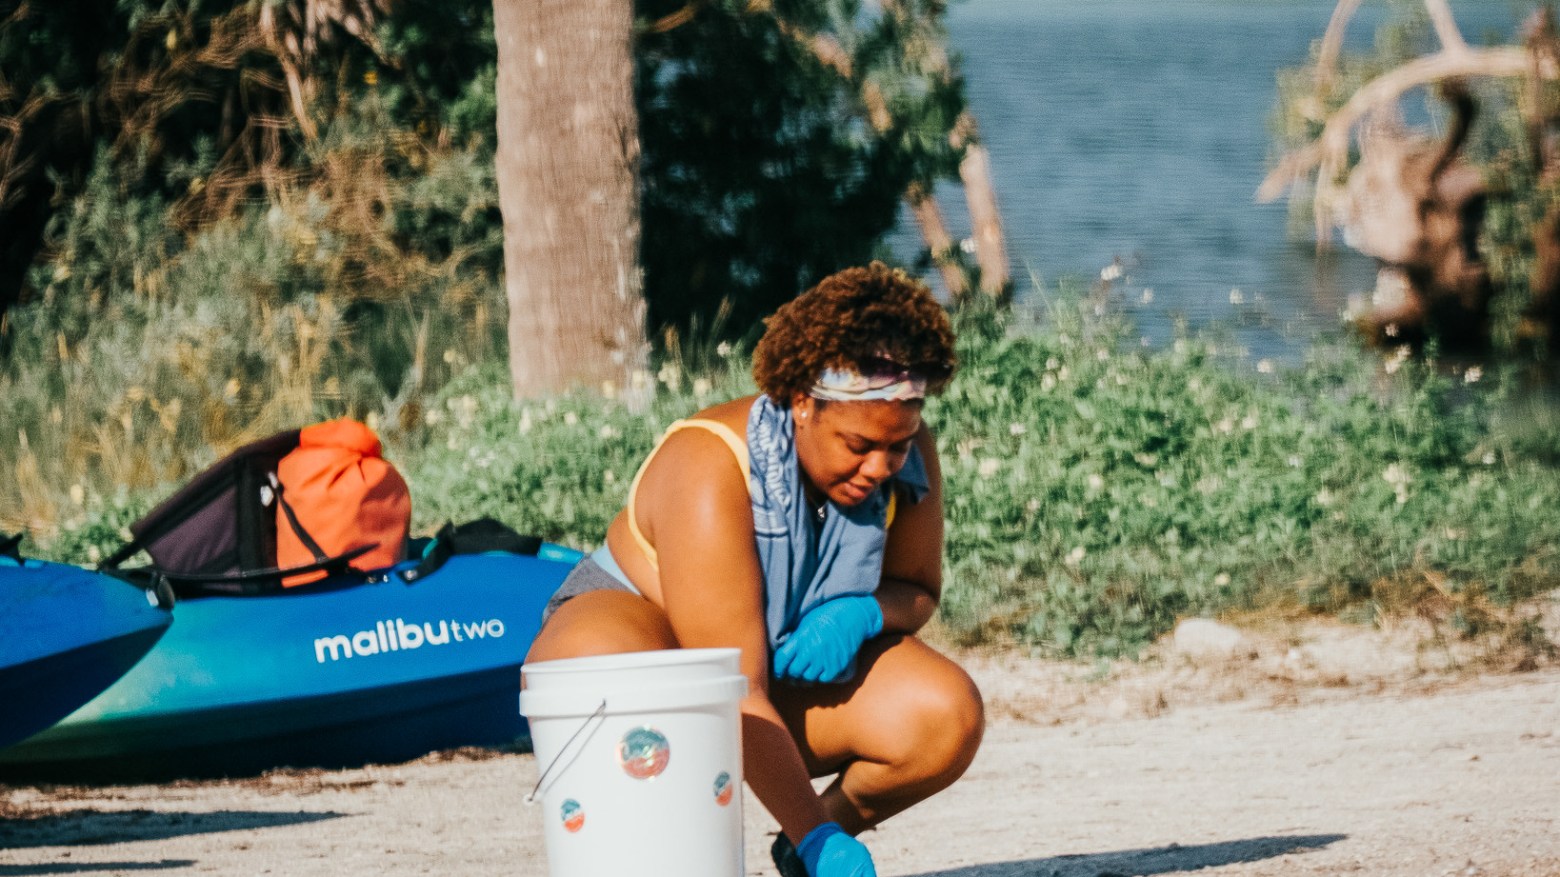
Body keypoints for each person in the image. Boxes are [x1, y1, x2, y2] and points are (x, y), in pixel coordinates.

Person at [525, 262, 985, 877]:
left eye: (896, 445)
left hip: (756, 671)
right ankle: (806, 842)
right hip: (652, 658)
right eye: (858, 446)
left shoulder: (903, 446)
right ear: (801, 402)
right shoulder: (712, 467)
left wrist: (865, 611)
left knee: (943, 713)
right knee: (618, 685)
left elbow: (918, 590)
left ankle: (800, 850)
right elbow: (734, 689)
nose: (881, 466)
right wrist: (821, 838)